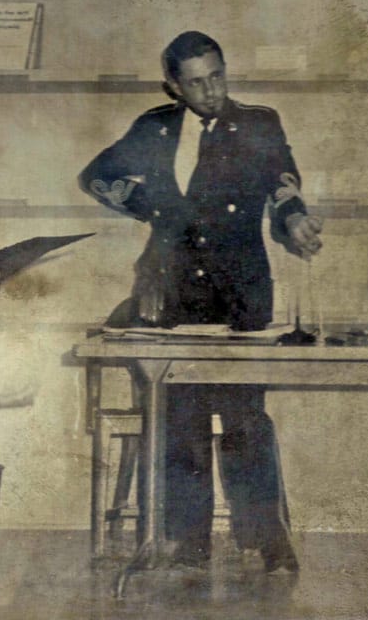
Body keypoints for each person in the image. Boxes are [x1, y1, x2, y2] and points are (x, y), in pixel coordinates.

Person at [79, 31, 323, 573]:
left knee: (244, 417)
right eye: (196, 81)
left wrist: (297, 218)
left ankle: (266, 538)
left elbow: (284, 185)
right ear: (173, 85)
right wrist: (156, 210)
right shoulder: (154, 127)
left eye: (217, 75)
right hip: (172, 284)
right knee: (181, 413)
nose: (211, 90)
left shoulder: (259, 122)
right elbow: (95, 175)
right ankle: (188, 542)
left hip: (240, 288)